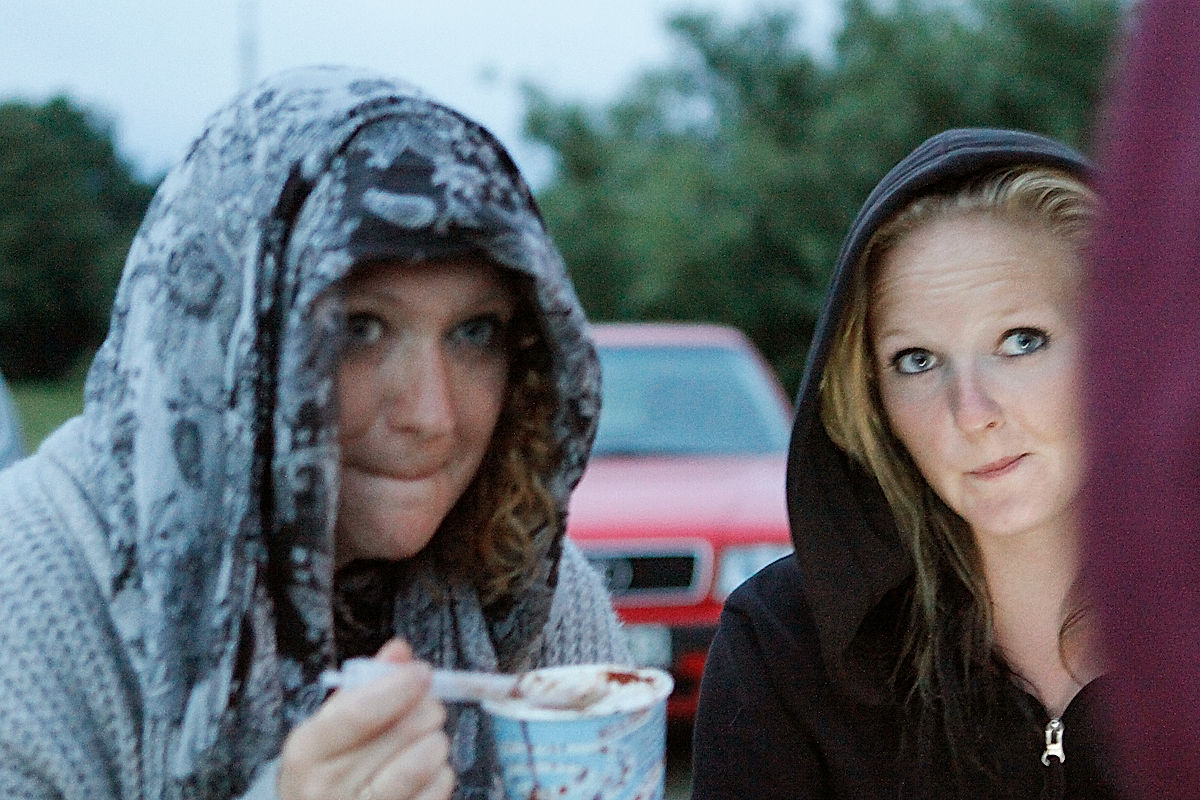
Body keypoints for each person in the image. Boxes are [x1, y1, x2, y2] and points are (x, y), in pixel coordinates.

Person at [0, 65, 628, 800]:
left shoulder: (529, 590)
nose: (431, 415)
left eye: (475, 332)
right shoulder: (29, 592)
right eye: (358, 328)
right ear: (233, 327)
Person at [691, 129, 1126, 799]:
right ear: (871, 396)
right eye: (917, 361)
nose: (970, 410)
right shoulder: (782, 646)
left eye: (1020, 341)